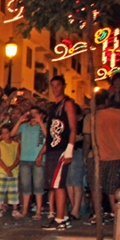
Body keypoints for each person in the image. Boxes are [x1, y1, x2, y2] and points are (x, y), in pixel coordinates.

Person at [83, 90, 120, 223]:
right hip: (116, 154)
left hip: (98, 155)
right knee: (112, 185)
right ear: (107, 100)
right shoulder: (118, 114)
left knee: (96, 186)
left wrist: (85, 156)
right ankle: (114, 212)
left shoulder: (91, 117)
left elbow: (87, 139)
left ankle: (98, 213)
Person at [42, 75, 77, 231]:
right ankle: (61, 216)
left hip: (62, 149)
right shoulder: (52, 107)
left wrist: (69, 148)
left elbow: (73, 127)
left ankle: (60, 219)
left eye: (58, 85)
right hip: (52, 149)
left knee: (59, 184)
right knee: (54, 185)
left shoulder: (67, 104)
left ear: (63, 86)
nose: (55, 88)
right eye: (53, 85)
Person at [12, 105, 47, 219]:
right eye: (31, 113)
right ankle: (25, 210)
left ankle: (38, 212)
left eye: (35, 113)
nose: (32, 116)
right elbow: (12, 134)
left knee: (38, 186)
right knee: (25, 186)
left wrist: (40, 122)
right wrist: (20, 120)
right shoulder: (24, 126)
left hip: (38, 159)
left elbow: (49, 137)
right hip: (25, 159)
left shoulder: (44, 126)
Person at [0, 123, 20, 217]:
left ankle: (15, 209)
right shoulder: (0, 144)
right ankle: (0, 208)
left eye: (6, 133)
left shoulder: (16, 144)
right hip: (2, 170)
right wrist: (6, 168)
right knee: (0, 190)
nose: (4, 135)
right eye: (2, 133)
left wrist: (10, 168)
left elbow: (17, 158)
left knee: (13, 190)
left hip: (13, 171)